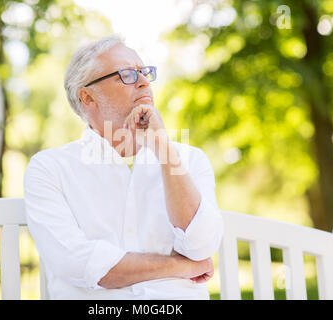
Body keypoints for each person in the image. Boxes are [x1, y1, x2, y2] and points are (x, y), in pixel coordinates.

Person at [23, 34, 224, 299]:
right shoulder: (50, 168)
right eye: (127, 75)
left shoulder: (189, 160)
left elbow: (201, 246)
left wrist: (164, 150)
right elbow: (76, 262)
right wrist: (181, 266)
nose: (143, 83)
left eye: (144, 73)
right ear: (87, 97)